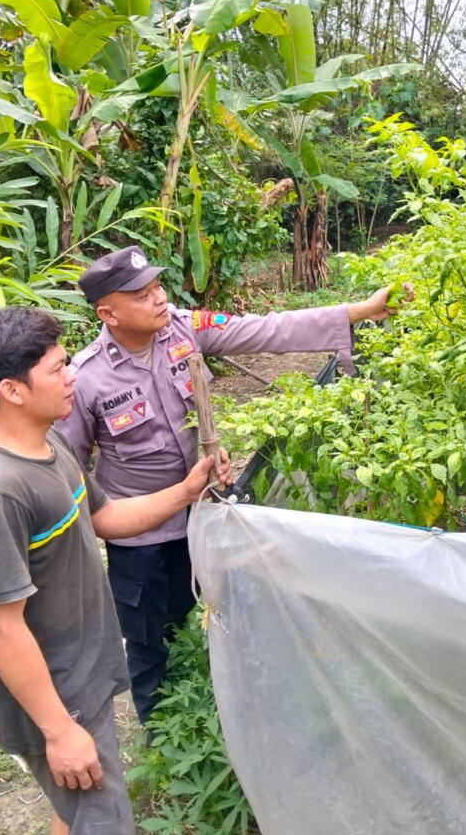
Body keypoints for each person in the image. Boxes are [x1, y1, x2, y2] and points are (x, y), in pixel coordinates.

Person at [59, 244, 403, 725]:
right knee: (149, 639)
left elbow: (265, 328)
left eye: (158, 286)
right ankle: (161, 736)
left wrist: (358, 310)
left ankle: (209, 718)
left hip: (203, 514)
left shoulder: (184, 329)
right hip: (139, 537)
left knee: (203, 616)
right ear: (108, 313)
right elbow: (66, 471)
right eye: (142, 294)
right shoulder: (85, 379)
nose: (159, 298)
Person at [0, 306, 231, 835]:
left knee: (71, 813)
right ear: (12, 389)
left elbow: (105, 518)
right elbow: (1, 627)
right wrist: (59, 731)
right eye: (57, 369)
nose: (73, 376)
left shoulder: (49, 444)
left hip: (84, 672)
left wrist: (186, 490)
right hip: (56, 697)